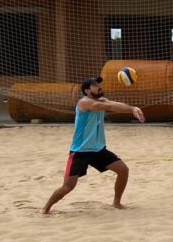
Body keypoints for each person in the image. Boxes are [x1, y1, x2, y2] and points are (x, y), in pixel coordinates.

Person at [42, 76, 146, 214]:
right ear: (87, 90)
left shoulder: (101, 100)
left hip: (98, 150)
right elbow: (106, 106)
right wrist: (131, 109)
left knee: (123, 170)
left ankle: (116, 203)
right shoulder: (84, 103)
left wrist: (132, 108)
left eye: (98, 84)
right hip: (80, 152)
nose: (99, 86)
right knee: (68, 187)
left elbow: (114, 105)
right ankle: (45, 209)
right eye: (95, 85)